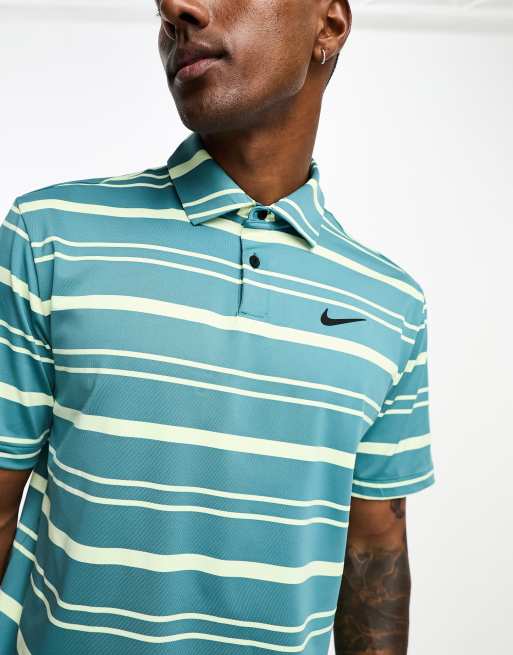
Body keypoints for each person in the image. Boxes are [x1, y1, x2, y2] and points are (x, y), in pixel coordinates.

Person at [0, 1, 435, 653]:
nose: (175, 8)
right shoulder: (49, 236)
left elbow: (375, 552)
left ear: (330, 24)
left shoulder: (390, 304)